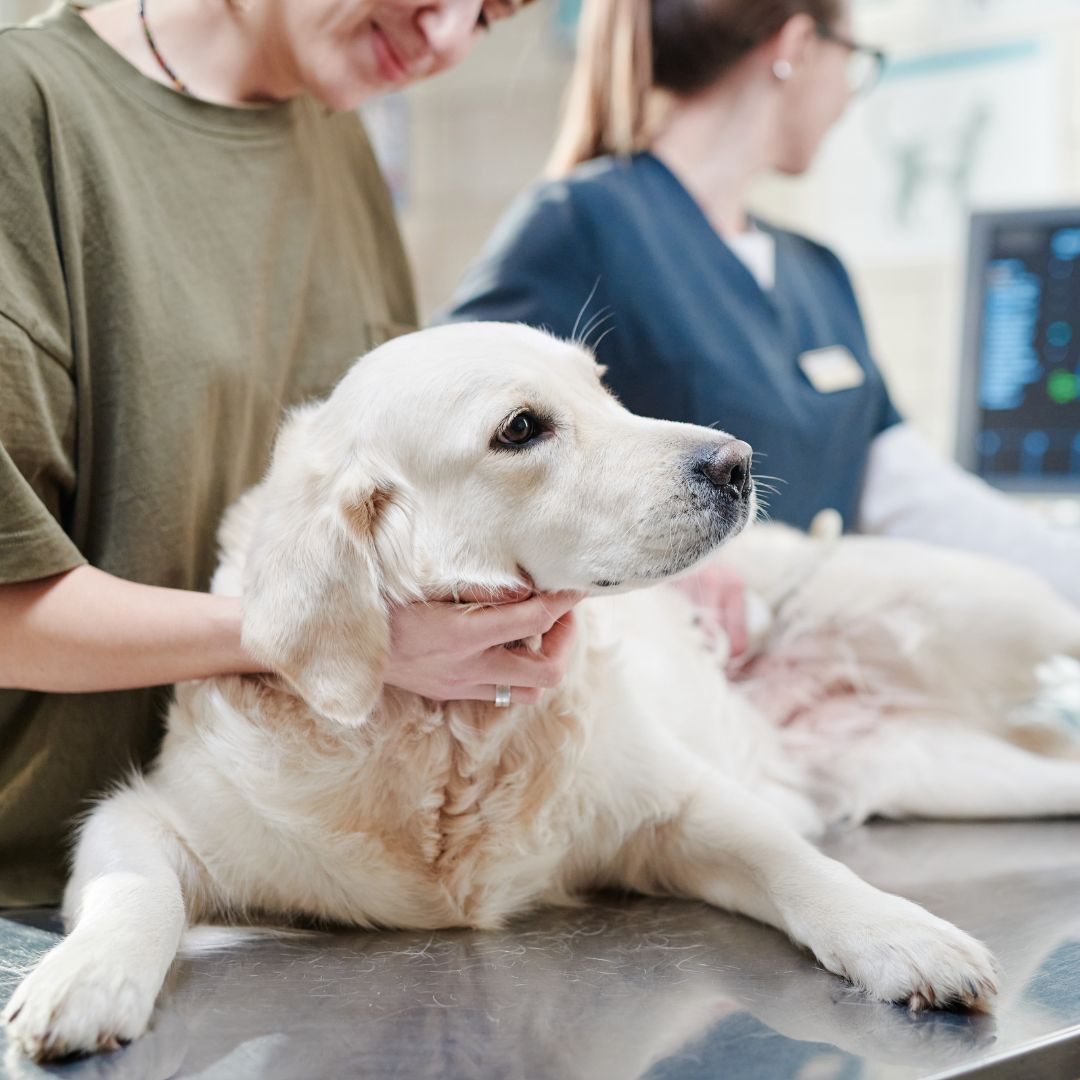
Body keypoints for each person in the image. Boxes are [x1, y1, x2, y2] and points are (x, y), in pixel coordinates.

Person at [0, 0, 581, 908]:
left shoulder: (337, 136)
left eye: (490, 17)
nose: (447, 38)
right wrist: (327, 636)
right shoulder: (23, 110)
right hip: (45, 891)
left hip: (291, 866)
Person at [446, 0, 1080, 606]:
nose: (847, 96)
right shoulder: (580, 225)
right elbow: (438, 463)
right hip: (665, 681)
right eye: (854, 58)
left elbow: (906, 494)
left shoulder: (817, 271)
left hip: (805, 680)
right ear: (798, 47)